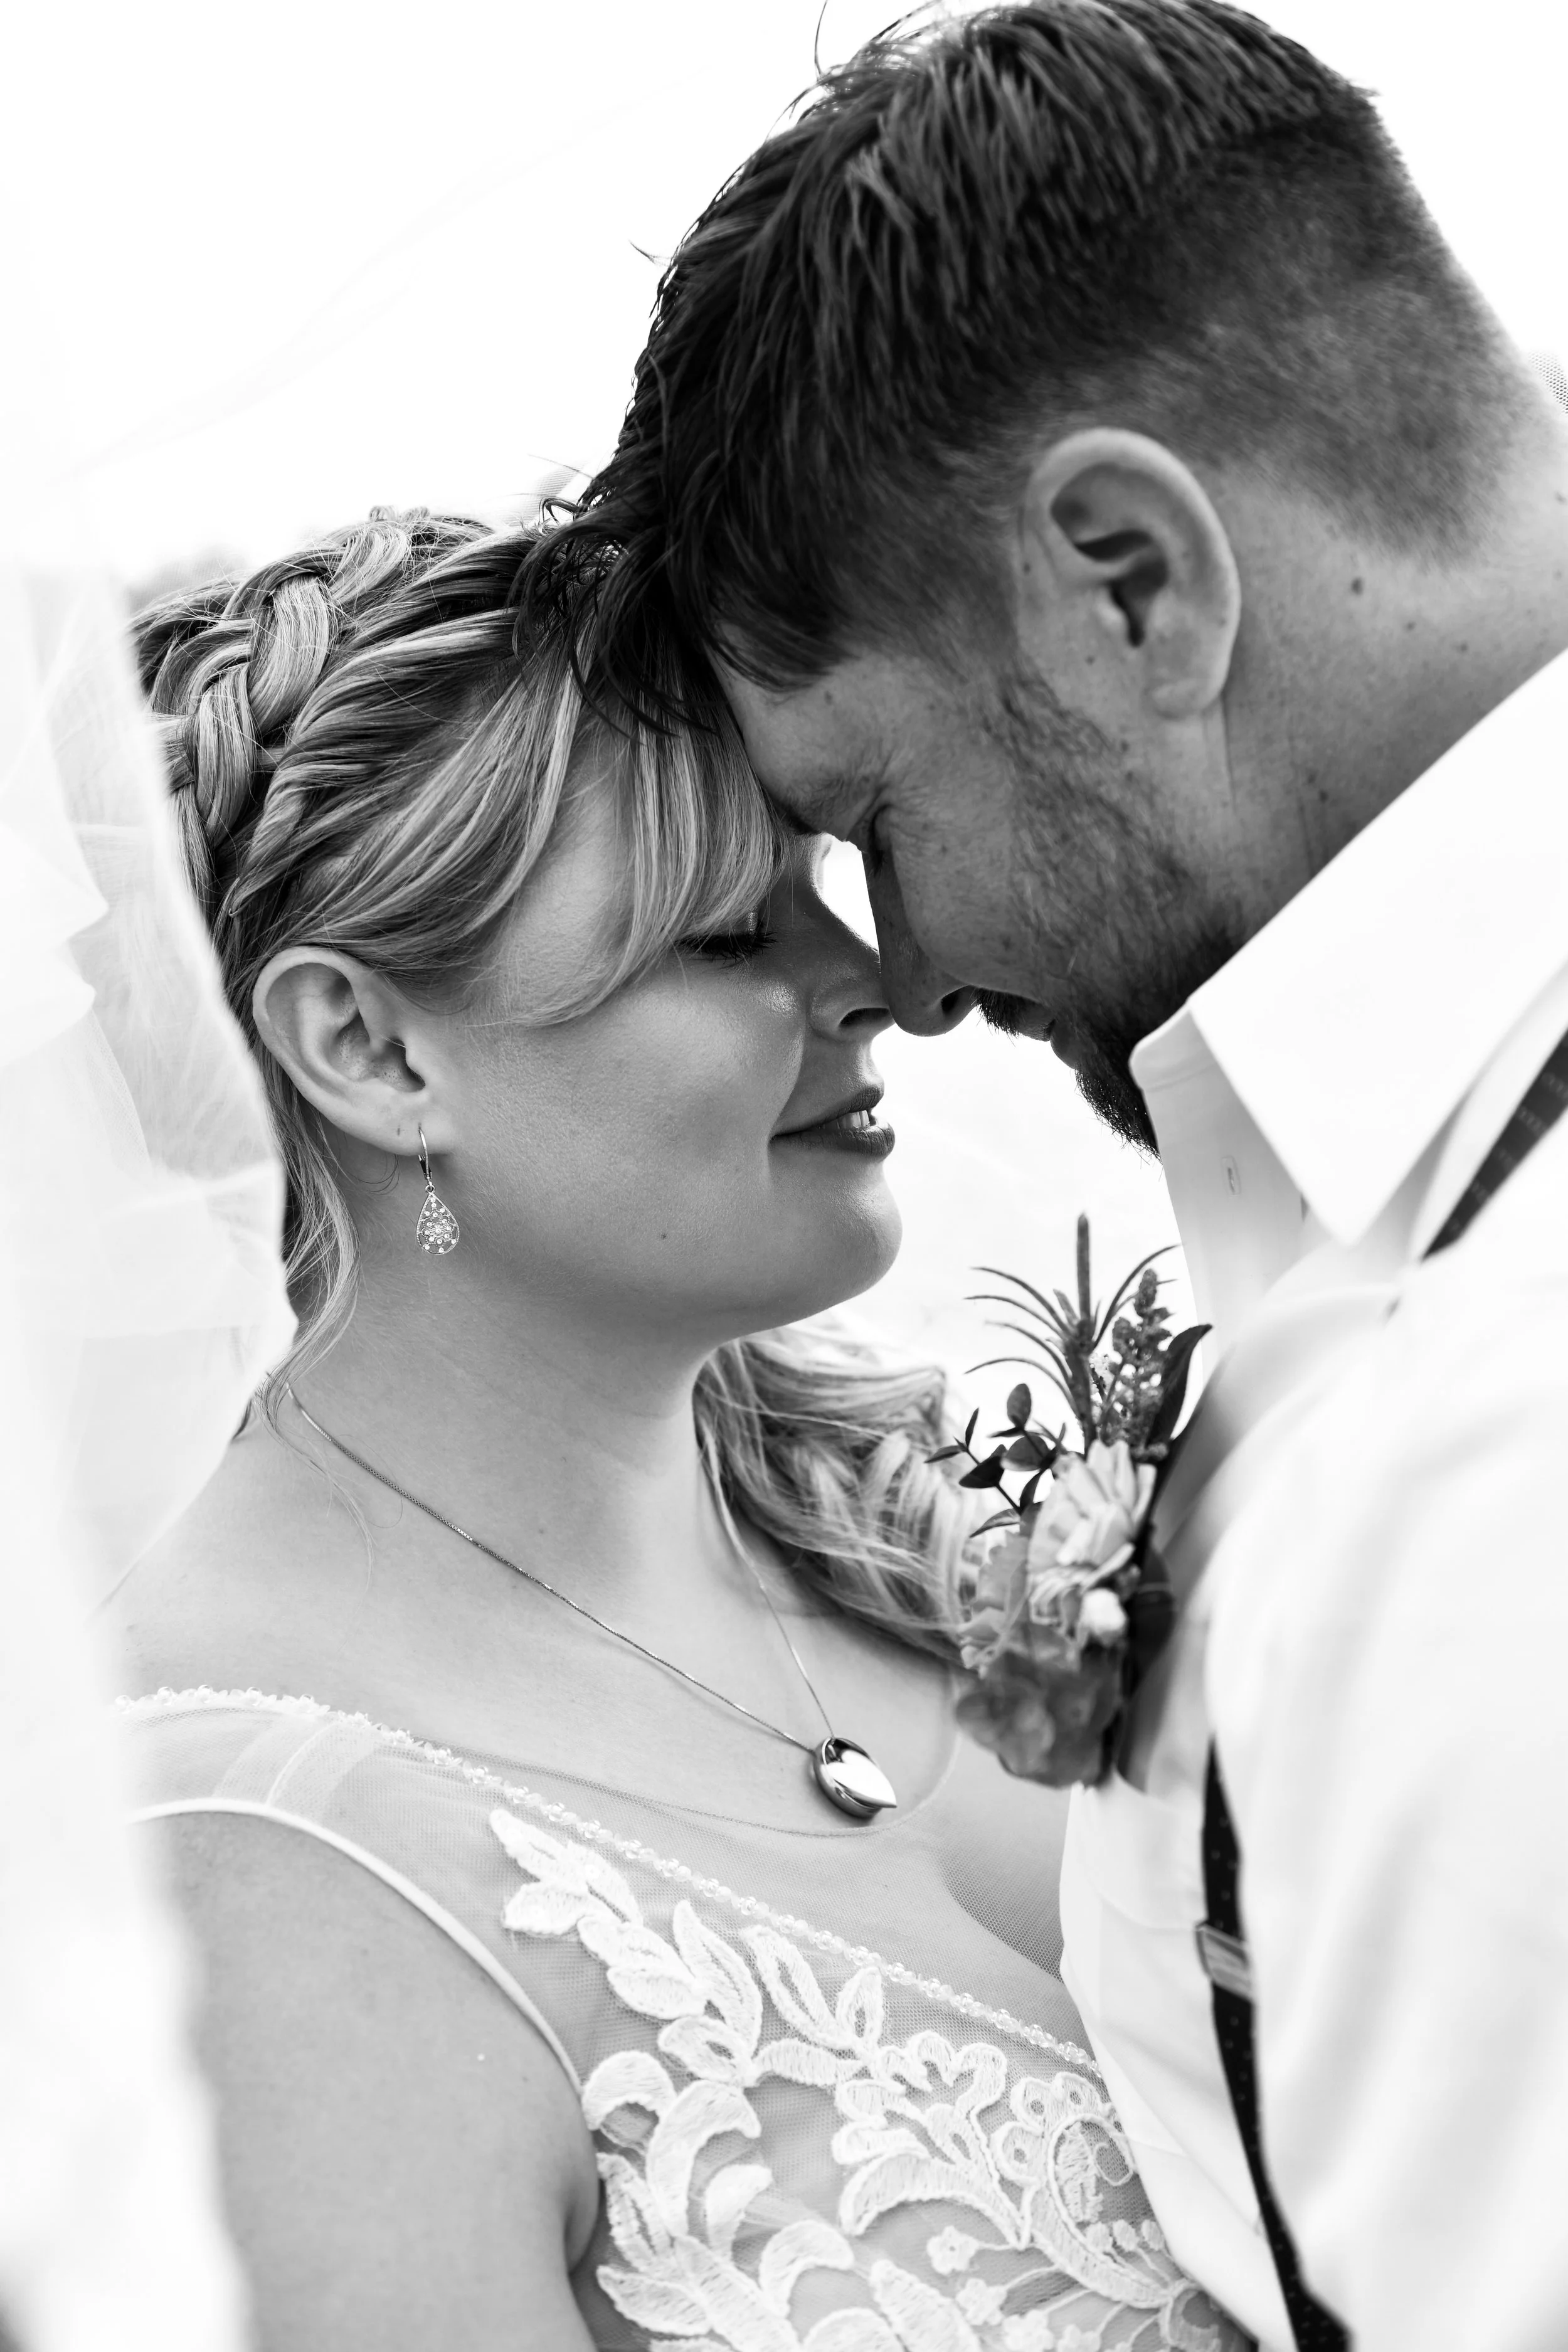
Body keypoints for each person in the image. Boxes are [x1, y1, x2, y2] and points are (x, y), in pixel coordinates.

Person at [527, 4, 1568, 2348]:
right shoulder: (1409, 1252)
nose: (902, 974)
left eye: (870, 816)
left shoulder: (1504, 1442)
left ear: (1127, 581)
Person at [107, 507, 1245, 2352]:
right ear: (373, 1051)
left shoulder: (930, 1516)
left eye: (831, 880)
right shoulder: (241, 1864)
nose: (878, 981)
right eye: (727, 932)